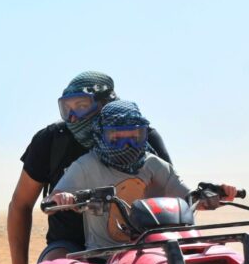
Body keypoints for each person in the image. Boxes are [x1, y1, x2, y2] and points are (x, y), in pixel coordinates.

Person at [7, 71, 171, 264]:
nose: (73, 117)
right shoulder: (51, 141)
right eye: (67, 108)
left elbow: (170, 193)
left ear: (105, 104)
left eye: (81, 106)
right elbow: (21, 203)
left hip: (137, 243)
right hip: (71, 247)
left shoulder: (139, 136)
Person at [48, 101, 237, 250]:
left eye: (134, 137)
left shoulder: (154, 164)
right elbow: (50, 203)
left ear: (144, 135)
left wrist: (215, 197)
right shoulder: (86, 166)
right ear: (100, 135)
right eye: (116, 138)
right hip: (104, 257)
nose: (126, 145)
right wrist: (61, 198)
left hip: (154, 251)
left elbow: (189, 201)